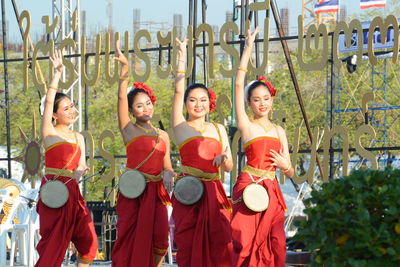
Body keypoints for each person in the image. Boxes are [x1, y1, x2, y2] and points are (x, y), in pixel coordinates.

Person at [231, 27, 294, 267]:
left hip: (272, 189)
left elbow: (289, 172)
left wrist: (285, 166)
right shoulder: (247, 126)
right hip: (250, 187)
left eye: (266, 98)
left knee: (275, 243)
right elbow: (238, 86)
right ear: (249, 103)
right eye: (256, 100)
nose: (262, 103)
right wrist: (247, 50)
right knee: (245, 243)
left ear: (272, 99)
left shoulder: (279, 131)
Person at [111, 40, 175, 267]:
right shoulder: (128, 130)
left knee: (160, 239)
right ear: (130, 110)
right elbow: (120, 98)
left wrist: (168, 173)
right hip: (133, 190)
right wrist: (124, 70)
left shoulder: (163, 135)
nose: (146, 108)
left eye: (148, 103)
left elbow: (167, 165)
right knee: (129, 237)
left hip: (155, 192)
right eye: (139, 105)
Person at [171, 37, 234, 267]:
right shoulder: (180, 127)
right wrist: (181, 56)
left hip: (214, 192)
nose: (198, 104)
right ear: (186, 103)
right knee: (188, 246)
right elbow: (178, 90)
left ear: (210, 103)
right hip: (189, 192)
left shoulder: (218, 128)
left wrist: (224, 158)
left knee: (221, 243)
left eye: (203, 100)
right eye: (193, 100)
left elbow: (229, 167)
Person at [36, 49, 98, 267]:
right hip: (53, 191)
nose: (72, 111)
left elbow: (81, 165)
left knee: (90, 245)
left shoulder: (78, 136)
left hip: (73, 193)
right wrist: (57, 74)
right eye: (65, 108)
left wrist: (80, 171)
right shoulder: (49, 132)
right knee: (53, 248)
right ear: (54, 115)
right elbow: (48, 101)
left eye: (72, 106)